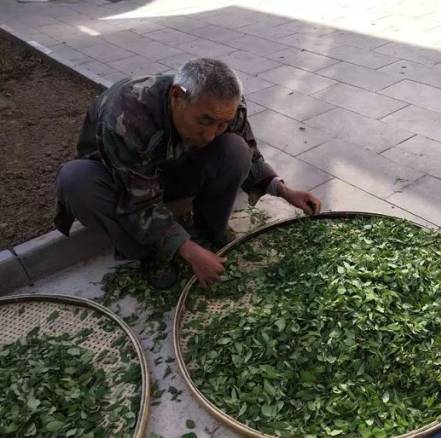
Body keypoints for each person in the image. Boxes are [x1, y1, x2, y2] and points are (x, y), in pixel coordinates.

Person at [55, 58, 322, 288]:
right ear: (176, 96)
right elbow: (137, 204)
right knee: (76, 181)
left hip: (171, 171)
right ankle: (150, 254)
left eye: (221, 124)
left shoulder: (226, 106)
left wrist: (285, 191)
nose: (210, 134)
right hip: (125, 184)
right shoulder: (127, 115)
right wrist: (187, 250)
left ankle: (208, 231)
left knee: (235, 149)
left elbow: (250, 156)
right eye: (204, 121)